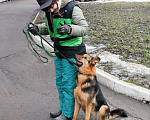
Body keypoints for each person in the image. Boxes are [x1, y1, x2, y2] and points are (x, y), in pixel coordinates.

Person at [29, 0, 88, 119]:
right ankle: (63, 110)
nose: (51, 10)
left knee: (68, 85)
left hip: (73, 53)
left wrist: (70, 29)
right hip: (59, 52)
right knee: (60, 83)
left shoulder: (72, 8)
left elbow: (84, 29)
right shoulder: (49, 12)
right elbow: (49, 28)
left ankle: (67, 114)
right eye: (47, 9)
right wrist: (37, 29)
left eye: (52, 6)